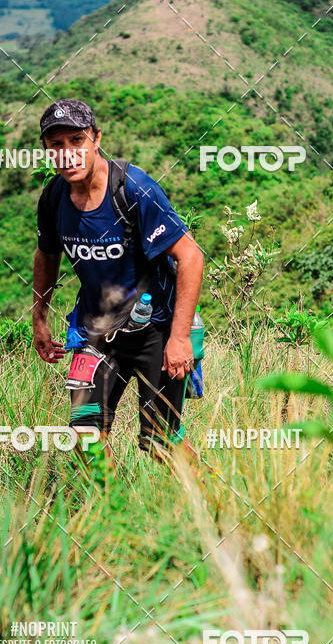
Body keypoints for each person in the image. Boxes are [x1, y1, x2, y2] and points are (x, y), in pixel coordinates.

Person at [32, 98, 204, 458]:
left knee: (161, 445)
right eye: (56, 146)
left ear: (96, 138)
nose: (67, 154)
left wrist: (180, 338)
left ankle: (215, 508)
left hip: (154, 332)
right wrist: (39, 317)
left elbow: (190, 256)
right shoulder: (53, 198)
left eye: (76, 141)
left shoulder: (134, 190)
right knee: (85, 439)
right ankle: (112, 513)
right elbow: (47, 254)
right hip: (96, 333)